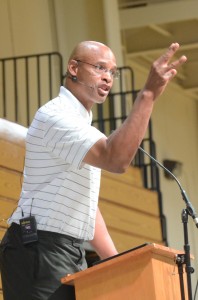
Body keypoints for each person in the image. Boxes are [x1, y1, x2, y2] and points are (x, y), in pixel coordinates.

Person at [0, 41, 187, 300]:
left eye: (112, 71)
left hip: (68, 249)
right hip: (38, 246)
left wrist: (118, 261)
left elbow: (86, 206)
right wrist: (147, 95)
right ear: (73, 67)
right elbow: (116, 159)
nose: (107, 77)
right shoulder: (56, 116)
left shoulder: (83, 127)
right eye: (100, 67)